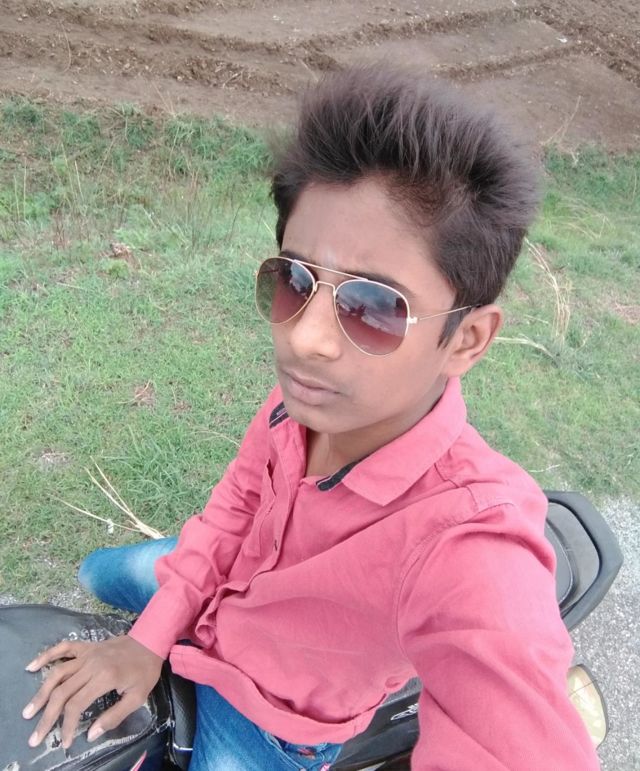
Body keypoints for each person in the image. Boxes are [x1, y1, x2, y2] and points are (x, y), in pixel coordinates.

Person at [21, 65, 600, 770]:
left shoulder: (466, 542)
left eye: (374, 307)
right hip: (220, 595)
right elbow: (234, 508)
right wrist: (146, 640)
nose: (304, 339)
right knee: (94, 573)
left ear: (467, 339)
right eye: (294, 280)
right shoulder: (299, 405)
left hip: (266, 720)